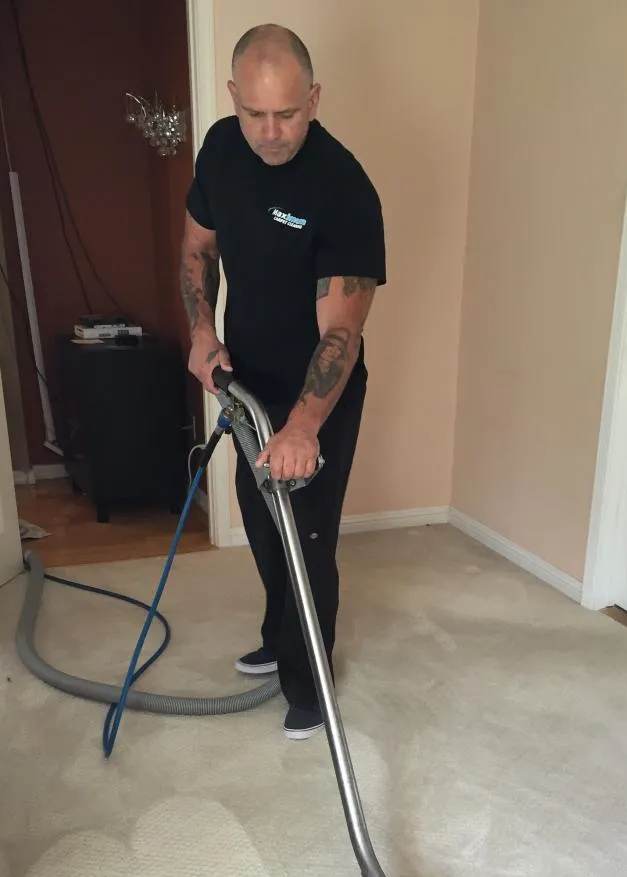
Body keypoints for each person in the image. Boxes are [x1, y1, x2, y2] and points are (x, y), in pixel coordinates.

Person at [181, 24, 386, 740]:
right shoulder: (219, 148)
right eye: (255, 114)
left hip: (317, 393)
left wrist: (302, 427)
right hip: (246, 382)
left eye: (289, 114)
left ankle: (310, 682)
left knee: (305, 533)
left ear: (315, 99)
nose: (271, 133)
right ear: (234, 99)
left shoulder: (343, 188)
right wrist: (203, 332)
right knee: (261, 520)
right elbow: (197, 248)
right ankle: (279, 638)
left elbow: (341, 332)